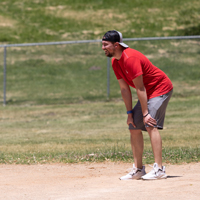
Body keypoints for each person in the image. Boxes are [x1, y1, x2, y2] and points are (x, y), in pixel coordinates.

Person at [102, 30, 173, 180]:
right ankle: (139, 169)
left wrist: (146, 113)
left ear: (116, 45)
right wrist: (129, 114)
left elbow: (140, 88)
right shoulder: (115, 61)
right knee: (133, 126)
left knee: (150, 124)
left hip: (160, 88)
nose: (103, 48)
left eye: (105, 44)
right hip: (148, 91)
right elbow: (124, 89)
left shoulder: (130, 58)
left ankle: (159, 169)